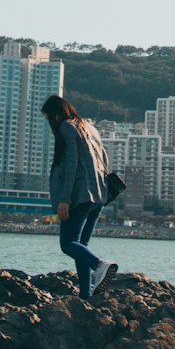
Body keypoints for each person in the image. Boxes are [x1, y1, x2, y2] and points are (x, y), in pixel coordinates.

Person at [42, 94, 118, 301]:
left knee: (67, 244)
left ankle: (100, 265)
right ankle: (86, 295)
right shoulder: (90, 128)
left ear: (55, 114)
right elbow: (105, 160)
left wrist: (64, 199)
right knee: (80, 248)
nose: (49, 122)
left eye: (48, 117)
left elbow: (71, 164)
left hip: (79, 196)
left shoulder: (67, 127)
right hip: (98, 196)